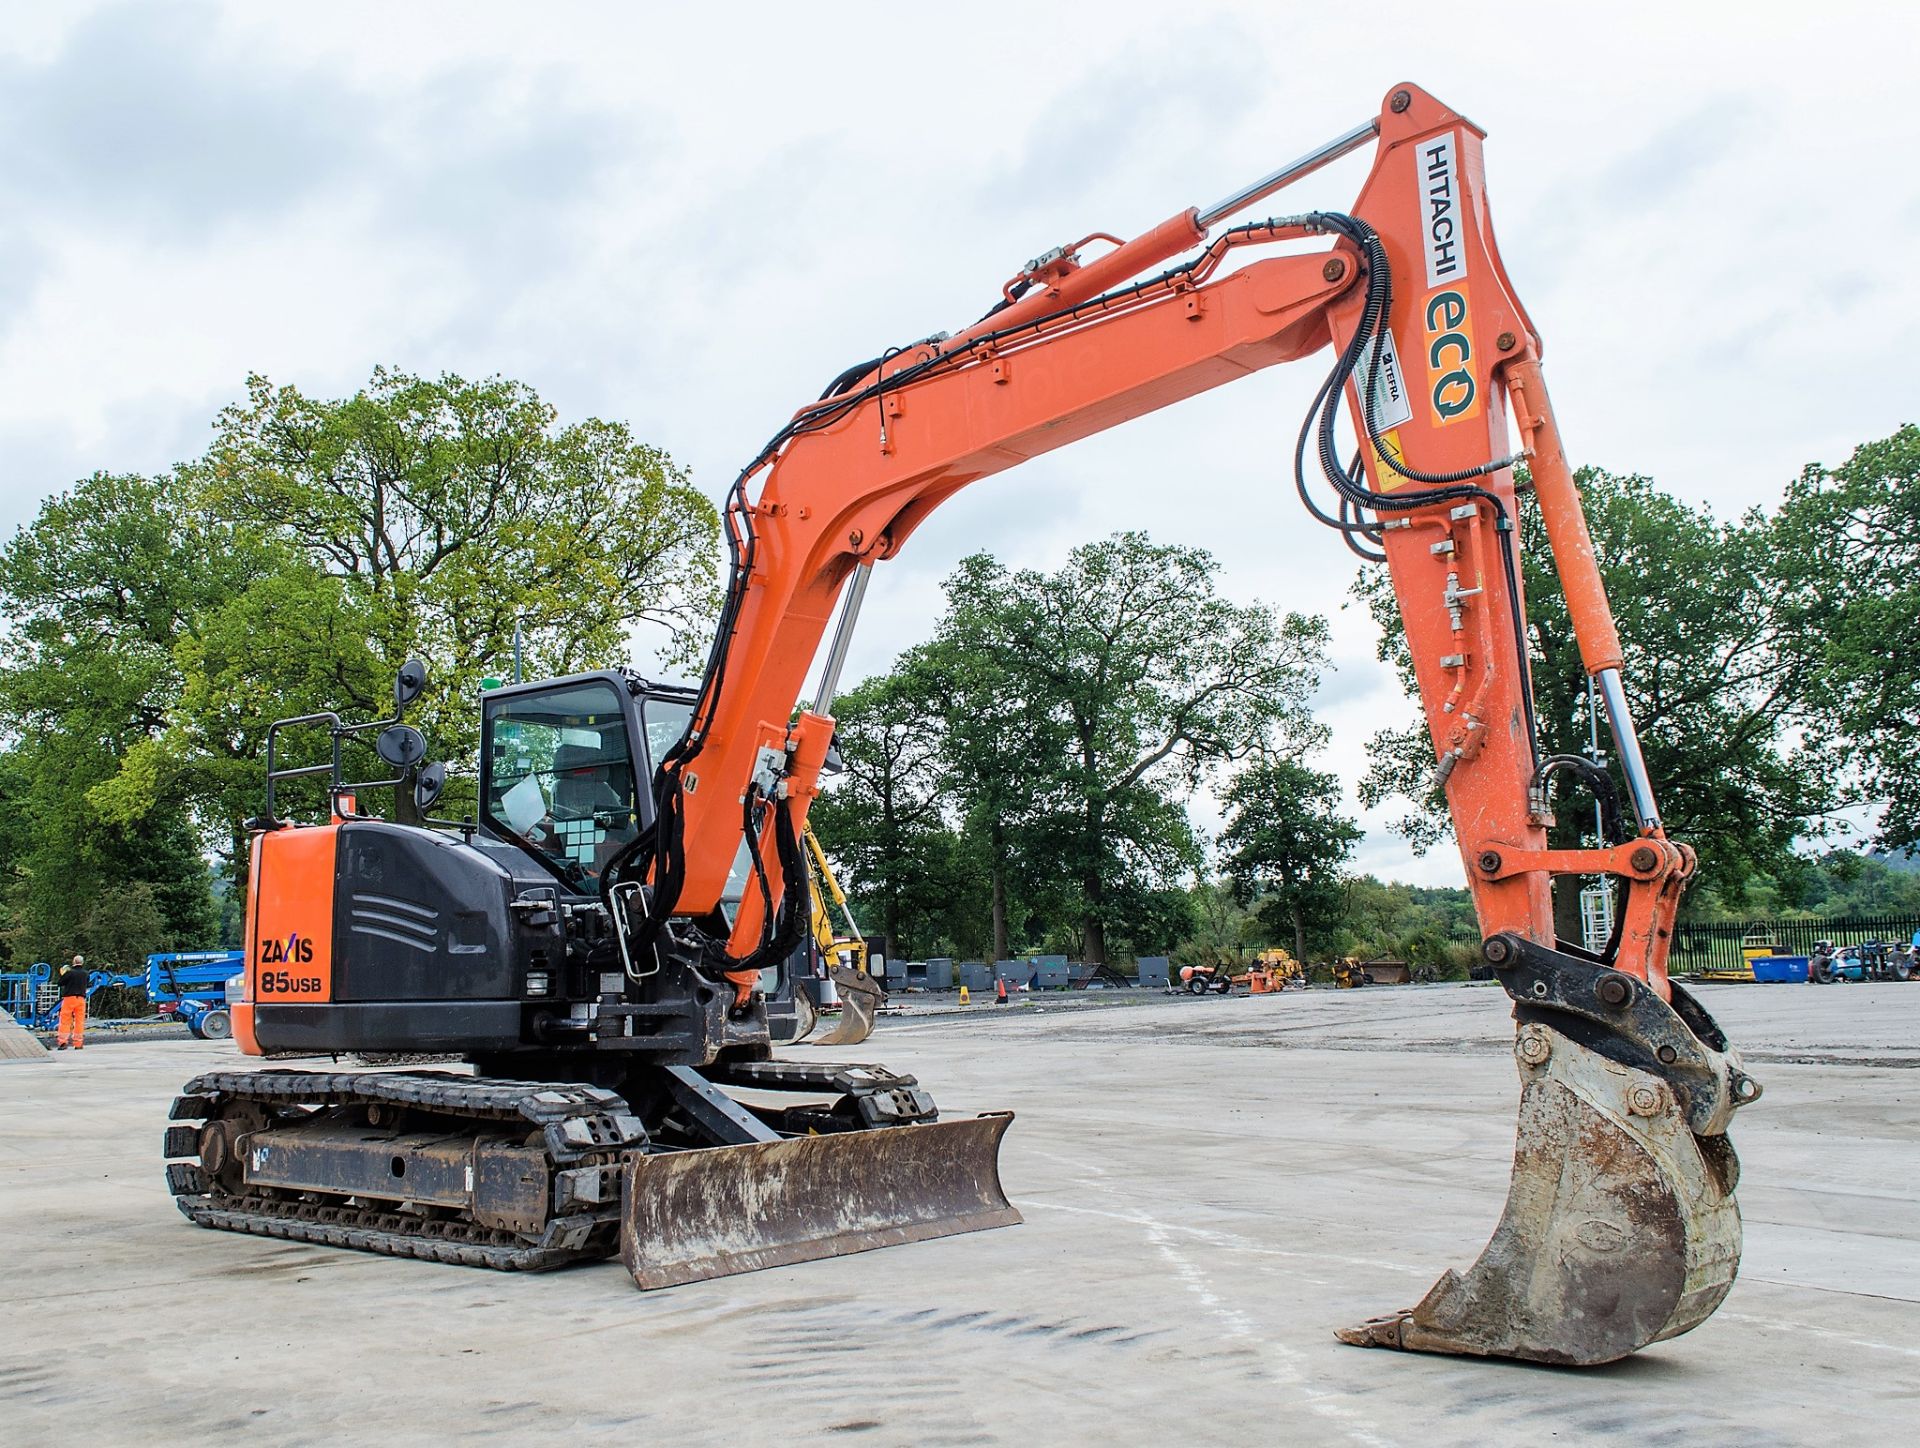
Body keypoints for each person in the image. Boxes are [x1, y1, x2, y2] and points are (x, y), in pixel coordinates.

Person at [56, 954, 89, 1050]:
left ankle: (63, 1042)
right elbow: (88, 983)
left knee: (65, 1020)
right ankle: (78, 1043)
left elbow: (60, 983)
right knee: (79, 1021)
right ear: (82, 963)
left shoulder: (70, 973)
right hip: (81, 999)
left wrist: (63, 974)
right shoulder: (86, 973)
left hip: (69, 998)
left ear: (73, 962)